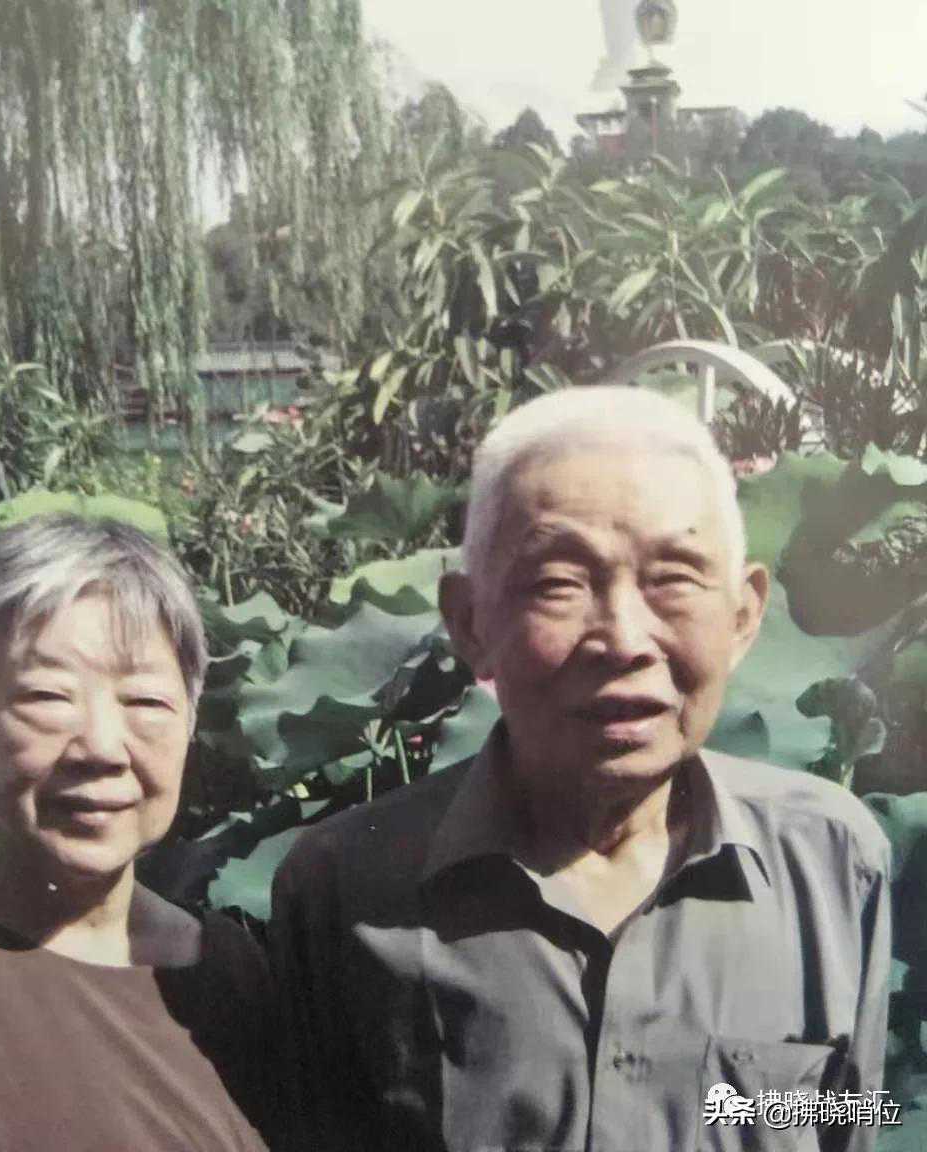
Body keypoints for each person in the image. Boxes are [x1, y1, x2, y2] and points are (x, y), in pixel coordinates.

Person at [270, 386, 892, 1152]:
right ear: (470, 621)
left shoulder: (833, 863)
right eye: (559, 584)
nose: (624, 639)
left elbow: (847, 1126)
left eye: (674, 578)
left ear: (742, 616)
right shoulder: (343, 891)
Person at [0, 515, 273, 1152]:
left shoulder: (232, 972)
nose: (101, 747)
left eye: (145, 701)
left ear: (189, 722)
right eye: (48, 695)